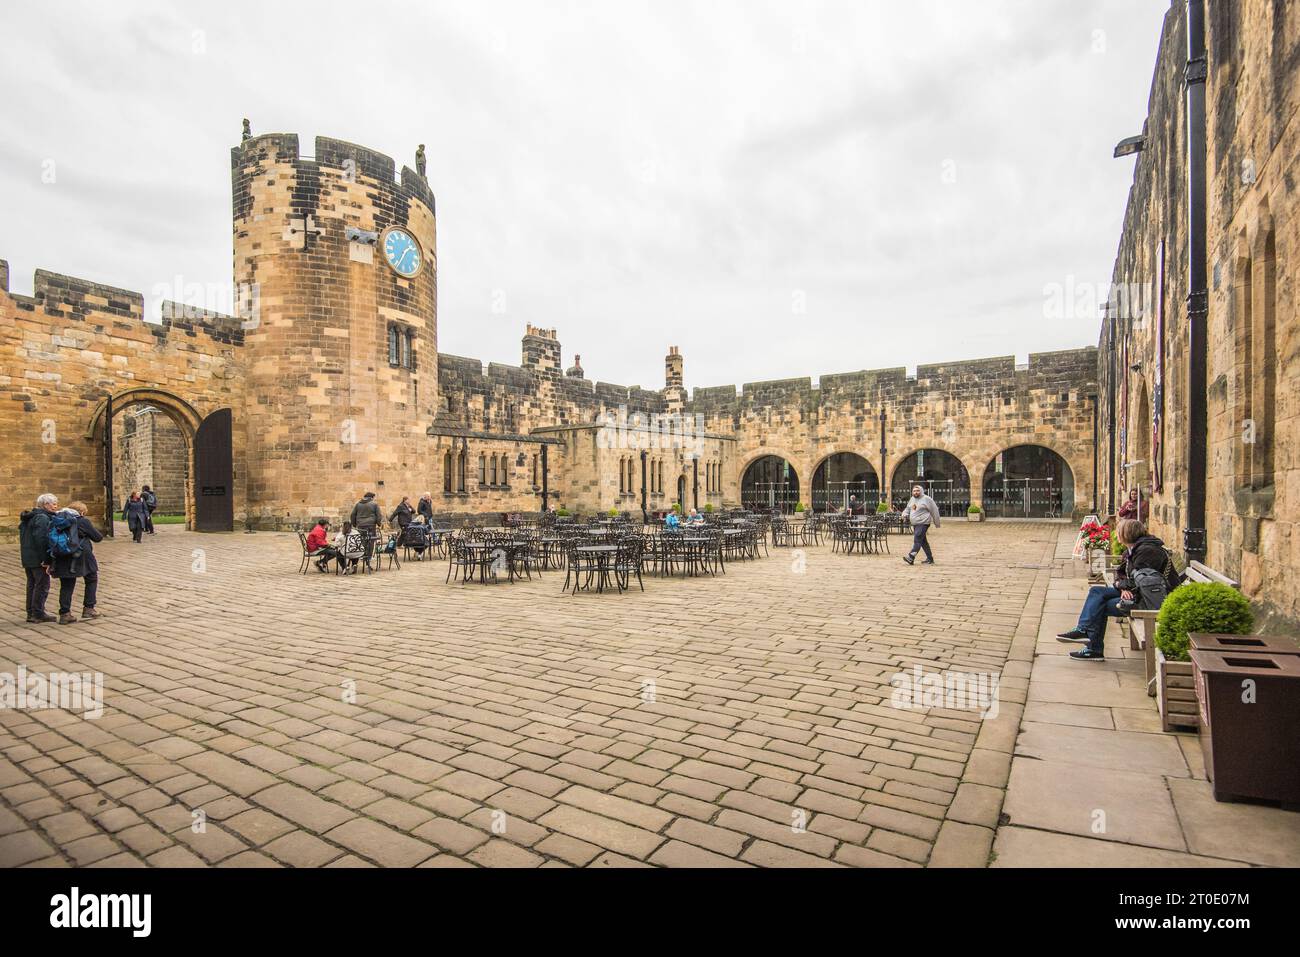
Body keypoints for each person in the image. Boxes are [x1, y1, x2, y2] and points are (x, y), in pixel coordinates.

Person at [1058, 519, 1173, 662]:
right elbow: (1121, 572)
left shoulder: (1147, 551)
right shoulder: (1135, 548)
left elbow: (1144, 580)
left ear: (1127, 533)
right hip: (1137, 592)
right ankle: (1084, 631)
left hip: (1151, 600)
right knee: (1096, 592)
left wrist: (1125, 585)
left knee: (1102, 606)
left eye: (1119, 531)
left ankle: (1092, 647)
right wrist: (1123, 586)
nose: (1116, 534)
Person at [50, 502, 104, 624]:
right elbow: (98, 537)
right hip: (82, 555)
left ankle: (65, 613)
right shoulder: (82, 521)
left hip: (62, 555)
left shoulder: (57, 520)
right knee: (91, 578)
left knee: (66, 585)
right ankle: (89, 608)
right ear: (82, 512)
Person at [19, 493, 59, 623]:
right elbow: (41, 539)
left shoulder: (30, 517)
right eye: (53, 504)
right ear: (45, 505)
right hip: (37, 557)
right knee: (42, 584)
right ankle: (37, 612)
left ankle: (31, 612)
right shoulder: (42, 518)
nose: (55, 506)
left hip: (28, 556)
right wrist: (46, 559)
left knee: (32, 584)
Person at [901, 484, 941, 565]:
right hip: (915, 524)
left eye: (917, 490)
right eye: (914, 491)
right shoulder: (912, 499)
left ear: (921, 491)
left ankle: (911, 557)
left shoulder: (927, 499)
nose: (916, 492)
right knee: (923, 542)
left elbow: (934, 510)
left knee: (917, 540)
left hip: (923, 523)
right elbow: (908, 509)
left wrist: (937, 523)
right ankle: (930, 559)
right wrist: (904, 513)